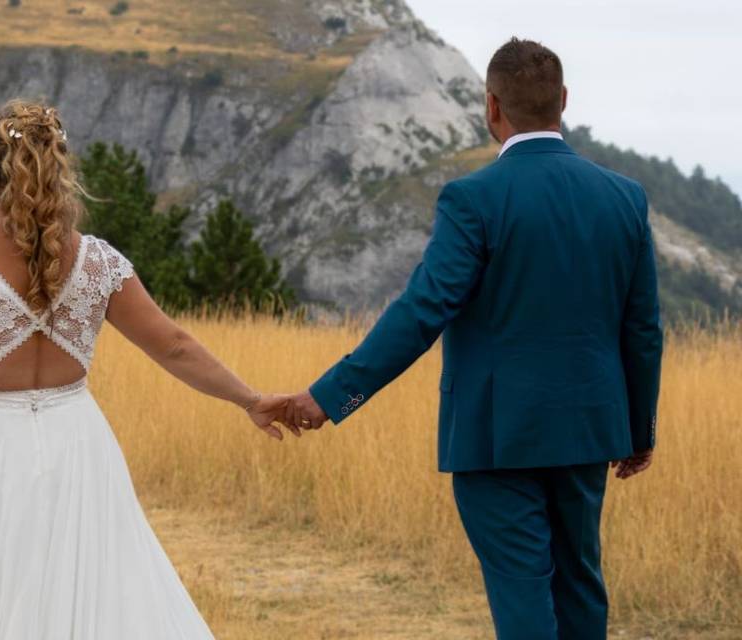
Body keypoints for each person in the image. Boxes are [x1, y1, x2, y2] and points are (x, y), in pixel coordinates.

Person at [278, 37, 664, 639]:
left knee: (523, 597)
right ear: (563, 100)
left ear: (491, 107)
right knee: (580, 587)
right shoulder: (624, 198)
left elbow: (423, 310)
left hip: (495, 436)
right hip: (590, 430)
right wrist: (638, 430)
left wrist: (331, 396)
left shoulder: (474, 199)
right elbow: (643, 329)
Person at [0, 99, 295, 639]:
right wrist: (249, 399)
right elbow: (175, 346)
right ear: (62, 172)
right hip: (77, 443)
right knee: (94, 591)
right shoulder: (101, 263)